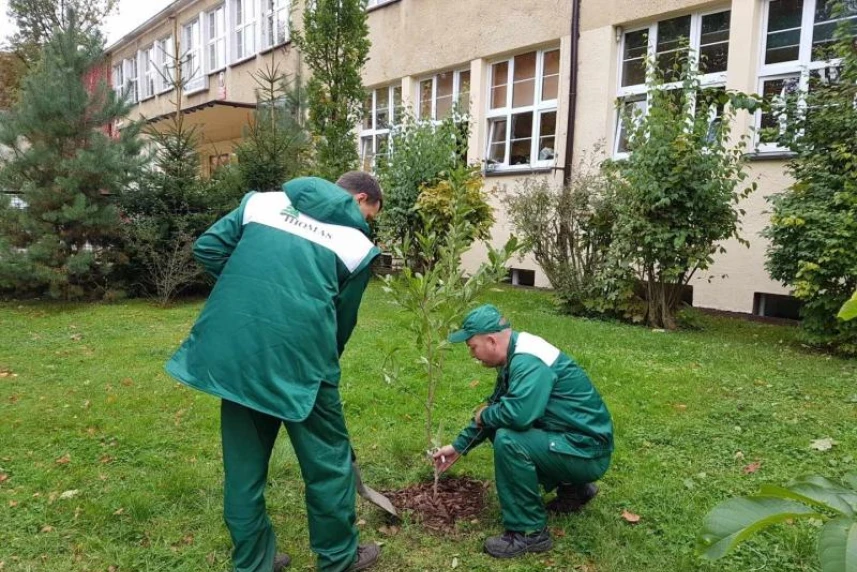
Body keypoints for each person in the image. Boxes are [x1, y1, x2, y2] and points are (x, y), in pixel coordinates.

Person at [165, 172, 384, 572]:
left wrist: (251, 294)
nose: (367, 223)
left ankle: (253, 563)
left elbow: (209, 247)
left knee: (243, 469)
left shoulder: (261, 203)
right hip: (303, 364)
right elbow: (341, 322)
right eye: (370, 214)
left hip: (240, 356)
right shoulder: (357, 247)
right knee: (328, 464)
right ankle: (338, 558)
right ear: (360, 200)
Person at [432, 304, 614, 559]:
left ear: (492, 340)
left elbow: (517, 415)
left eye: (472, 347)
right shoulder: (515, 353)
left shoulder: (528, 361)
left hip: (587, 451)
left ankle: (529, 532)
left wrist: (485, 414)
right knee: (501, 427)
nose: (472, 355)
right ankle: (576, 489)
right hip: (577, 444)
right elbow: (499, 406)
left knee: (509, 439)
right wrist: (459, 447)